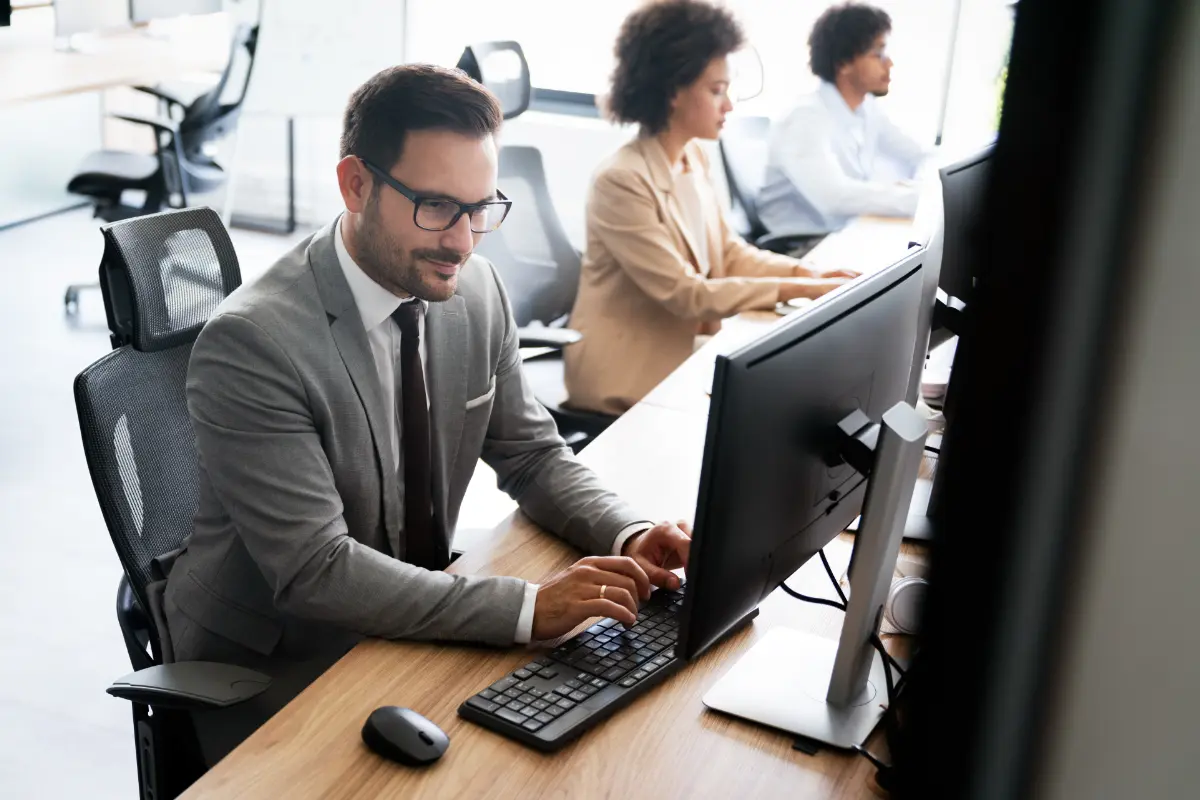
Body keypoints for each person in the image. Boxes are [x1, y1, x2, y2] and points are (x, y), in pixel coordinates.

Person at [161, 64, 691, 760]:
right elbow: (317, 571)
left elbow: (530, 454)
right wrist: (529, 607)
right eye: (437, 207)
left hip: (411, 607)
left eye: (480, 210)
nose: (464, 242)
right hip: (274, 659)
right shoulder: (253, 344)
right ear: (355, 184)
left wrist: (627, 532)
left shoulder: (475, 291)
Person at [563, 0, 857, 417]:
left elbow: (729, 253)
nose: (730, 105)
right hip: (625, 371)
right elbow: (687, 295)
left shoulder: (692, 158)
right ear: (671, 93)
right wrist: (802, 290)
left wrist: (804, 272)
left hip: (682, 349)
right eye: (716, 90)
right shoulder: (621, 180)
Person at [756, 2, 928, 243]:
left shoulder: (867, 110)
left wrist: (923, 186)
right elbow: (835, 197)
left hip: (843, 234)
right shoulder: (804, 119)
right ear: (843, 63)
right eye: (877, 54)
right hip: (802, 245)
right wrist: (917, 197)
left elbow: (922, 155)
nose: (889, 64)